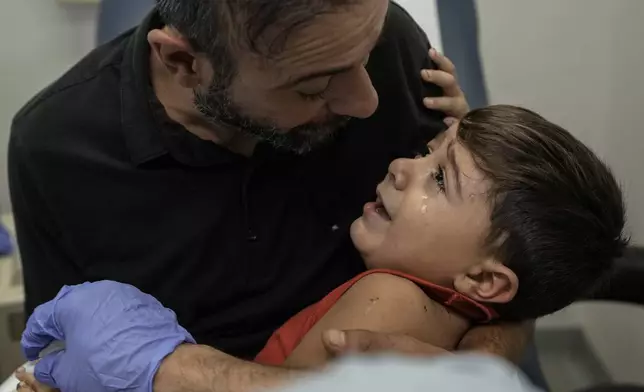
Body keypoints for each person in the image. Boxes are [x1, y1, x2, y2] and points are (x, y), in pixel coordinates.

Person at [9, 0, 528, 391]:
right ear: (185, 62)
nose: (367, 102)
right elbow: (59, 359)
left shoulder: (381, 40)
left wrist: (477, 365)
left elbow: (512, 261)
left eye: (366, 58)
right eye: (312, 87)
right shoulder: (59, 149)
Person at [15, 104, 627, 392]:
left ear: (486, 282)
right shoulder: (440, 304)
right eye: (428, 149)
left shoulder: (388, 299)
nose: (401, 165)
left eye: (440, 178)